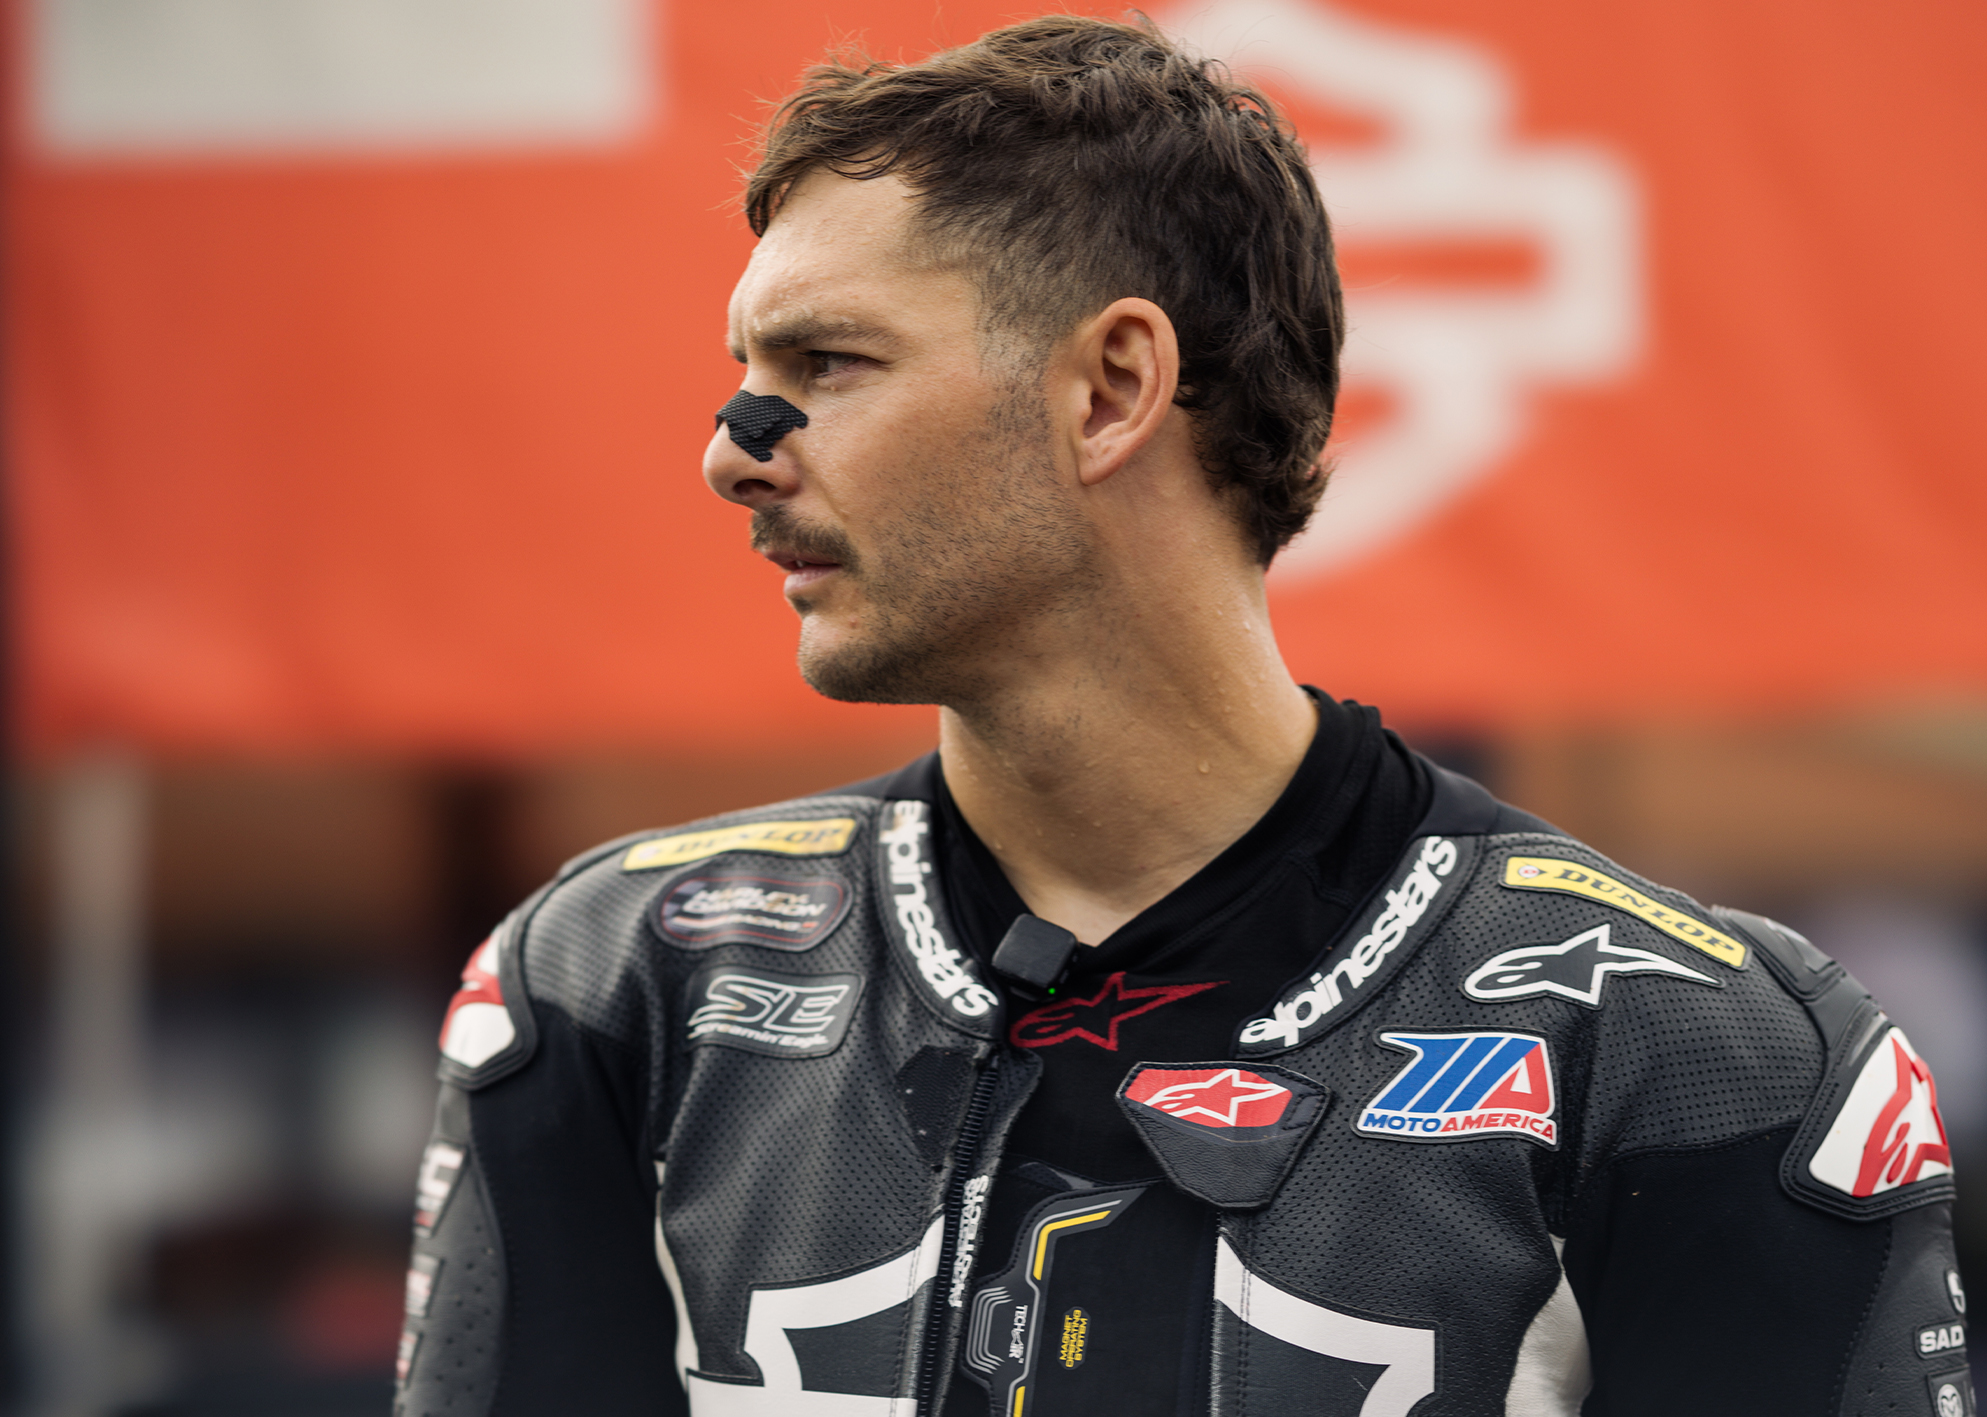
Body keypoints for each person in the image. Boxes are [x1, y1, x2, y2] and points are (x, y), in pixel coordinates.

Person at [393, 17, 1967, 1417]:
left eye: (828, 361)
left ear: (1110, 388)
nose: (735, 451)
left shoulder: (1704, 1052)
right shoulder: (614, 986)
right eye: (747, 368)